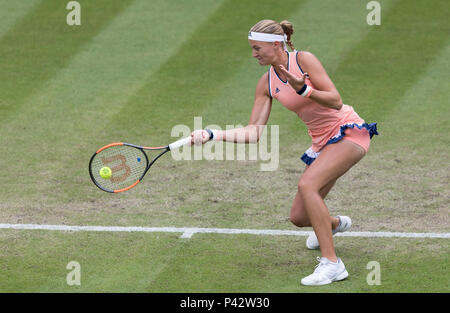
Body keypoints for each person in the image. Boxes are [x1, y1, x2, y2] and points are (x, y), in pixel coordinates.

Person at [190, 19, 378, 286]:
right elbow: (253, 132)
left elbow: (335, 101)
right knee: (299, 218)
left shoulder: (304, 60)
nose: (253, 54)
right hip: (321, 144)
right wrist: (211, 134)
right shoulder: (266, 83)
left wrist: (304, 89)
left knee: (308, 185)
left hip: (348, 132)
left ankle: (333, 265)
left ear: (276, 45)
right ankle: (333, 224)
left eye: (257, 49)